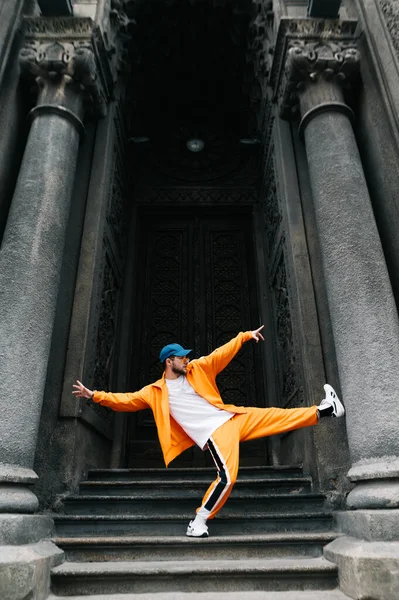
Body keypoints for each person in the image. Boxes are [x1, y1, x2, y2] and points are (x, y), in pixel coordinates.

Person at [73, 325, 344, 538]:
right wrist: (94, 395)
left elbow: (219, 355)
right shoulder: (155, 392)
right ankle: (199, 521)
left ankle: (325, 410)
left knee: (275, 416)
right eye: (182, 357)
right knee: (227, 477)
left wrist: (244, 337)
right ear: (169, 362)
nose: (187, 359)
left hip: (232, 417)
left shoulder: (197, 369)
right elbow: (126, 400)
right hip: (215, 432)